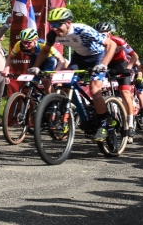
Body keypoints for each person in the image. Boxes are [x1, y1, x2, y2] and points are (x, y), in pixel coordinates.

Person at [29, 8, 117, 142]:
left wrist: (104, 64)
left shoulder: (83, 30)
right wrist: (35, 66)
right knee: (65, 87)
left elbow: (111, 44)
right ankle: (81, 113)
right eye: (52, 25)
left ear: (68, 23)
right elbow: (44, 51)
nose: (54, 28)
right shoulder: (53, 34)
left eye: (58, 24)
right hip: (79, 58)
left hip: (97, 57)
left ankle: (104, 125)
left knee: (94, 90)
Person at [94, 21, 140, 144]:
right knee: (98, 89)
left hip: (121, 64)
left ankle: (130, 125)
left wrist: (128, 69)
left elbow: (134, 56)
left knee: (124, 92)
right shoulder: (96, 41)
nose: (101, 36)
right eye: (99, 34)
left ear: (109, 33)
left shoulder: (119, 41)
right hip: (106, 64)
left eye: (103, 34)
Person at [0, 28, 66, 93]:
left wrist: (56, 71)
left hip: (49, 61)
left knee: (45, 80)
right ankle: (37, 99)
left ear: (35, 39)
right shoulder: (19, 44)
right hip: (35, 60)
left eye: (28, 42)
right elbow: (10, 57)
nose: (25, 45)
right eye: (23, 42)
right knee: (31, 82)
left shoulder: (43, 44)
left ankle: (53, 101)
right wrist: (6, 69)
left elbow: (61, 59)